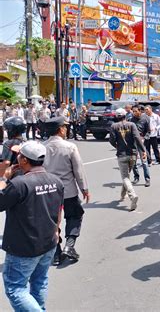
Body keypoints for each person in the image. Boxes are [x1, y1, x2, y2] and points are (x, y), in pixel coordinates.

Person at [0, 141, 64, 311]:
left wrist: (3, 179)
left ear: (25, 160)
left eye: (19, 156)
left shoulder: (19, 184)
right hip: (49, 241)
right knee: (39, 281)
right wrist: (57, 230)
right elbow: (59, 210)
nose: (17, 158)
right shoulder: (55, 181)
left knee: (15, 288)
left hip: (24, 247)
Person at [43, 116, 90, 265]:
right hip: (68, 190)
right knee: (75, 216)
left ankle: (56, 253)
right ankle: (69, 246)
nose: (66, 129)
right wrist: (84, 189)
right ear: (60, 129)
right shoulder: (70, 147)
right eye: (64, 127)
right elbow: (78, 170)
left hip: (48, 191)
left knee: (51, 222)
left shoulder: (42, 147)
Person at [109, 108, 146, 211]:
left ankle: (132, 195)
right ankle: (122, 195)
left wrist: (116, 146)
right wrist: (143, 151)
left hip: (121, 154)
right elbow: (137, 138)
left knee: (125, 177)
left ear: (117, 116)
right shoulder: (132, 125)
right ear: (126, 115)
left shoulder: (114, 126)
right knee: (127, 176)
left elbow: (111, 140)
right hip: (132, 154)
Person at [129, 105, 151, 187]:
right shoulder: (132, 120)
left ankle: (147, 179)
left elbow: (148, 131)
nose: (134, 113)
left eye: (135, 111)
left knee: (144, 162)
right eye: (133, 111)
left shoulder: (145, 118)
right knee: (133, 161)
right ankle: (136, 177)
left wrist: (144, 138)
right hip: (133, 142)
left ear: (140, 111)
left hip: (141, 141)